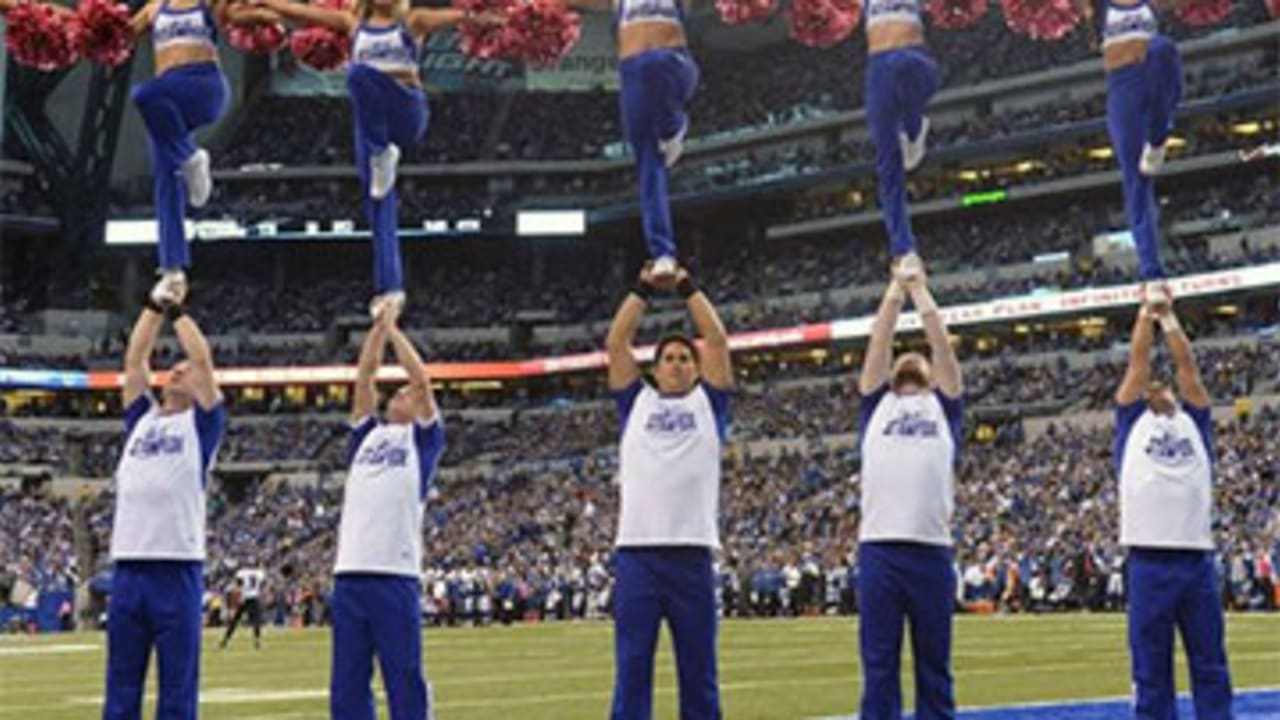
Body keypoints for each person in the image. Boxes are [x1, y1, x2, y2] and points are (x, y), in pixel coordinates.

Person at [255, 0, 481, 313]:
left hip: (406, 111)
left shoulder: (414, 21)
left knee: (359, 74)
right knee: (376, 202)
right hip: (371, 122)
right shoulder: (351, 23)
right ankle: (390, 289)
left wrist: (515, 14)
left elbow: (468, 16)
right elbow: (301, 13)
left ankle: (381, 155)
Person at [605, 263, 732, 719]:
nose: (677, 365)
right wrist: (641, 287)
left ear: (697, 370)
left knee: (698, 668)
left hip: (691, 554)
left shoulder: (709, 403)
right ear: (655, 370)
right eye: (668, 359)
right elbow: (616, 343)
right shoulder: (636, 401)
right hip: (638, 554)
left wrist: (685, 286)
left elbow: (716, 339)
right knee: (633, 666)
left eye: (684, 358)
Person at [103, 277, 226, 720]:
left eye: (183, 370)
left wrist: (177, 311)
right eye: (172, 366)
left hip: (176, 568)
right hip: (130, 568)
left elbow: (202, 358)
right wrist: (153, 305)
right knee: (121, 685)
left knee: (177, 688)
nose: (177, 368)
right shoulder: (143, 418)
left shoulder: (202, 426)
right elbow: (135, 358)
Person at [1113, 300, 1233, 719]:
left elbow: (1187, 368)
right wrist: (1146, 315)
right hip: (1148, 559)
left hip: (1196, 558)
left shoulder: (1193, 421)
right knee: (1150, 667)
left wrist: (1170, 319)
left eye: (1163, 386)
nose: (1157, 388)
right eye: (1151, 388)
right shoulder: (1132, 424)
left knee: (1210, 663)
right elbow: (1137, 362)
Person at [855, 257, 962, 720]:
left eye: (915, 359)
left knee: (933, 666)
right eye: (903, 358)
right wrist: (895, 291)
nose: (908, 360)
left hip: (932, 551)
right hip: (880, 550)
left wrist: (921, 291)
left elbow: (942, 348)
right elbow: (880, 340)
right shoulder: (876, 404)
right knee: (879, 666)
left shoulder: (945, 407)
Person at [330, 301, 445, 720]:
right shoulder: (367, 436)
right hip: (350, 573)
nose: (405, 395)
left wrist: (394, 328)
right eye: (399, 393)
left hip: (394, 574)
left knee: (403, 676)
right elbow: (365, 377)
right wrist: (377, 327)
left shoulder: (423, 443)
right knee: (347, 685)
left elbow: (422, 380)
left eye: (408, 394)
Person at [128, 0, 278, 288]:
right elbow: (118, 38)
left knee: (144, 94)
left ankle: (189, 155)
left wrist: (271, 13)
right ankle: (172, 267)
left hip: (202, 87)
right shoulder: (154, 8)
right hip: (168, 100)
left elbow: (239, 15)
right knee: (164, 173)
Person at [563, 0, 700, 281]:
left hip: (673, 62)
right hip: (632, 72)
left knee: (657, 68)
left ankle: (674, 125)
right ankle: (663, 253)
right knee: (647, 163)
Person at [1077, 0, 1184, 304]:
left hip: (1156, 74)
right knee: (1136, 181)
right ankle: (1152, 274)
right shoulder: (1097, 6)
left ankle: (1159, 135)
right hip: (1122, 86)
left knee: (1163, 47)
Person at [862, 0, 938, 275]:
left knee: (906, 66)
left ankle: (913, 127)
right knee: (886, 164)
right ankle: (903, 248)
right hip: (878, 68)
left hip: (915, 58)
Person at [220, 561, 266, 649]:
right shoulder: (259, 573)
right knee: (256, 620)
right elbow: (261, 583)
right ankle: (257, 641)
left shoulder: (241, 572)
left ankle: (225, 640)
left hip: (244, 598)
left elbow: (238, 584)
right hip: (254, 598)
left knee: (235, 620)